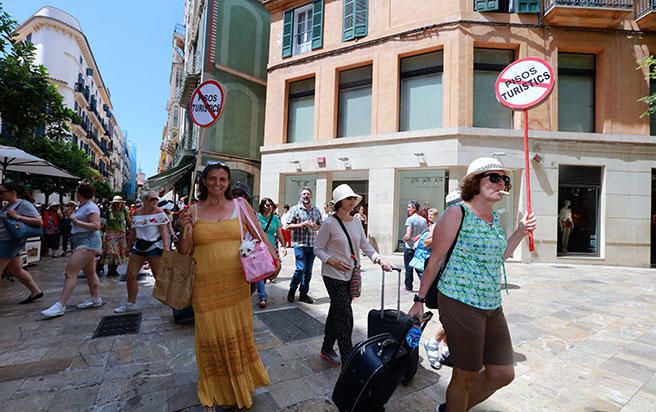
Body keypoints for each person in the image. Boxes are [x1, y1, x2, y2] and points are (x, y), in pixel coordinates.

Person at [408, 157, 537, 412]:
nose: (502, 183)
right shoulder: (457, 213)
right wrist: (419, 301)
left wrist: (521, 232)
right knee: (466, 374)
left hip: (491, 303)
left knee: (503, 373)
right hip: (459, 300)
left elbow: (500, 256)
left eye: (505, 179)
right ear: (475, 182)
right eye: (495, 177)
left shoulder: (494, 219)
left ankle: (451, 408)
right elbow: (435, 260)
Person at [177, 162, 278, 410]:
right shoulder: (193, 210)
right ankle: (213, 388)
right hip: (204, 286)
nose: (217, 184)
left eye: (223, 179)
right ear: (204, 181)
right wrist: (184, 227)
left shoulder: (240, 206)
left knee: (238, 333)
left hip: (236, 285)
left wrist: (274, 258)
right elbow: (185, 251)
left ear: (228, 182)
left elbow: (259, 235)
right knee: (209, 334)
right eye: (212, 179)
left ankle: (241, 385)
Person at [315, 184, 393, 366]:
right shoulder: (329, 223)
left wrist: (379, 260)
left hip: (351, 275)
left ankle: (326, 348)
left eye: (353, 199)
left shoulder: (357, 222)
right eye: (348, 198)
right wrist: (332, 260)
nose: (352, 202)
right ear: (340, 201)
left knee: (337, 312)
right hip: (332, 275)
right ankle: (348, 357)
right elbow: (318, 248)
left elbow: (365, 245)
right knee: (345, 316)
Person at [42, 184, 103, 318]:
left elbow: (96, 226)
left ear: (79, 194)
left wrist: (75, 220)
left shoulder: (90, 207)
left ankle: (60, 305)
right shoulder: (83, 206)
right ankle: (95, 298)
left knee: (70, 273)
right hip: (83, 241)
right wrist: (72, 217)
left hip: (88, 242)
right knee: (90, 273)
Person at [114, 191, 169, 313]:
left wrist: (166, 247)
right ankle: (131, 302)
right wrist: (128, 246)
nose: (154, 201)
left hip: (154, 246)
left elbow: (164, 231)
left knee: (158, 276)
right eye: (152, 199)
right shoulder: (136, 213)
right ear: (144, 200)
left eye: (156, 199)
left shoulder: (159, 212)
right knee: (130, 274)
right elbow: (133, 232)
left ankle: (169, 298)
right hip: (139, 246)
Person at [0, 182, 44, 304]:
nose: (0, 195)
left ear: (13, 193)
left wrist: (17, 217)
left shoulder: (23, 204)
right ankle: (36, 291)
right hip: (8, 241)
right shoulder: (8, 205)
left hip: (7, 242)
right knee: (15, 269)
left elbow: (39, 221)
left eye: (2, 192)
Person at [286, 186, 322, 304]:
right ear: (300, 196)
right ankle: (292, 290)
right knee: (300, 269)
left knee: (308, 272)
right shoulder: (295, 209)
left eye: (308, 194)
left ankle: (303, 293)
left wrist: (315, 227)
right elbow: (288, 226)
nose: (306, 196)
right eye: (304, 194)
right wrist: (302, 225)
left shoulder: (316, 210)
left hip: (312, 245)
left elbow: (320, 226)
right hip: (299, 244)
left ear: (311, 196)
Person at [256, 198, 287, 308]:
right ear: (262, 206)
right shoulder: (257, 217)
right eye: (267, 205)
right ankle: (262, 296)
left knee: (267, 272)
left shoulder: (275, 218)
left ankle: (261, 288)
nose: (269, 207)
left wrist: (284, 245)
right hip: (259, 248)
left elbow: (279, 232)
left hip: (271, 248)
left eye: (271, 205)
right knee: (260, 272)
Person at [101, 196, 130, 278]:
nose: (117, 204)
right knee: (111, 252)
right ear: (113, 203)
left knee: (118, 253)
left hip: (121, 235)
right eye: (116, 203)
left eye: (119, 203)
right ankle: (110, 270)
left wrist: (132, 231)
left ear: (122, 203)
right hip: (110, 234)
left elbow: (129, 222)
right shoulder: (108, 211)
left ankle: (114, 270)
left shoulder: (124, 211)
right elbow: (103, 222)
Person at [402, 200, 427, 292]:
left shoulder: (410, 219)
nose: (407, 209)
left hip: (409, 247)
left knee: (409, 268)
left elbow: (408, 235)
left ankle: (408, 287)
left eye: (409, 207)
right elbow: (425, 234)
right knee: (420, 268)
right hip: (419, 248)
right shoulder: (423, 220)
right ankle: (425, 286)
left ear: (414, 208)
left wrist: (404, 238)